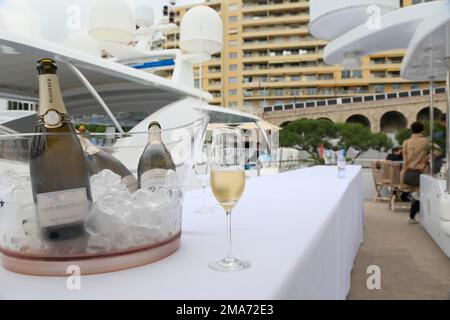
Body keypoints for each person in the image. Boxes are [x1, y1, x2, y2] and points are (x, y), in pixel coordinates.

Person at [401, 122, 430, 224]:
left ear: (412, 130)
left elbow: (405, 159)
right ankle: (422, 218)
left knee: (415, 195)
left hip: (409, 171)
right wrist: (425, 160)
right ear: (423, 130)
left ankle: (412, 217)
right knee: (422, 194)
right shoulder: (427, 141)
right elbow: (437, 151)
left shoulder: (406, 142)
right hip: (422, 171)